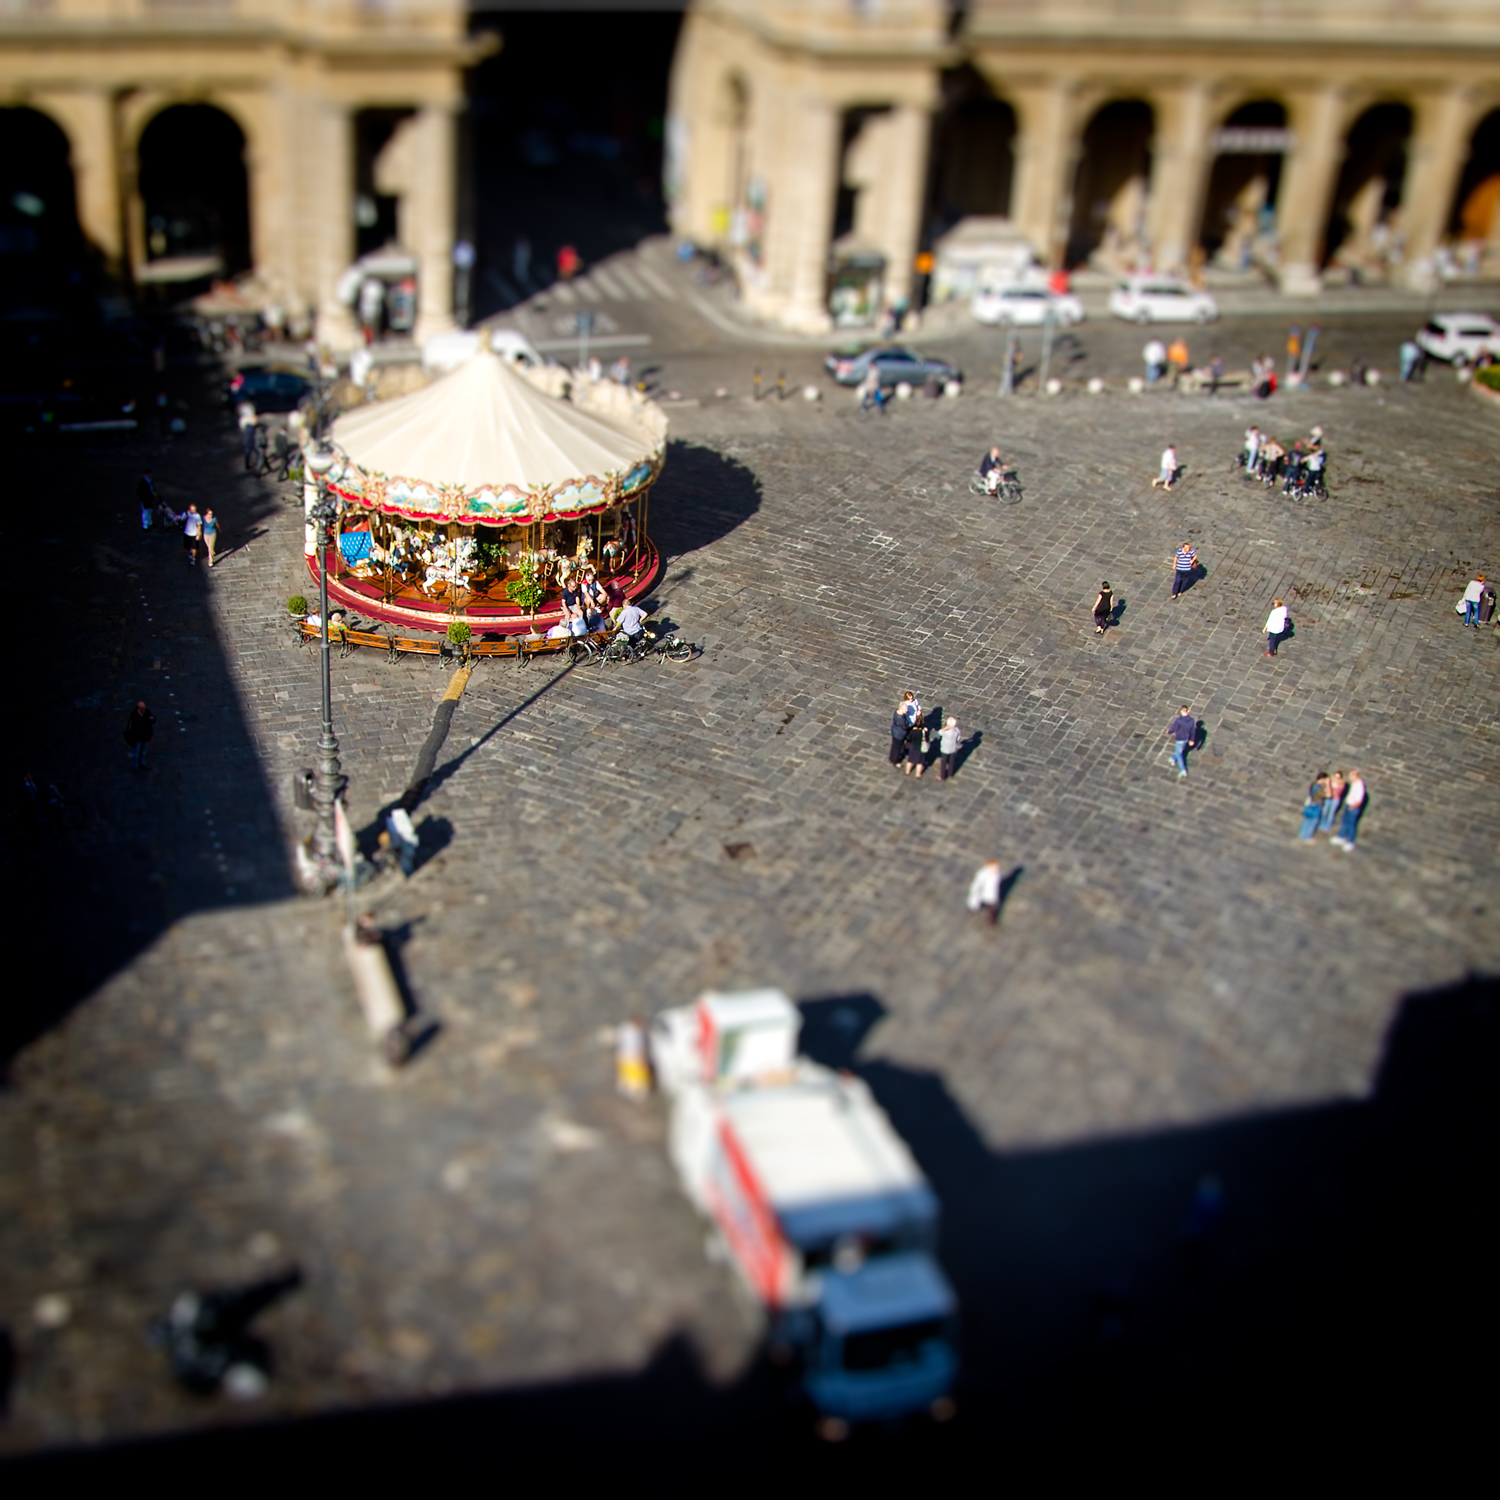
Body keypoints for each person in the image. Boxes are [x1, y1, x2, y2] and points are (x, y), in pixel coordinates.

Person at [1330, 770, 1366, 851]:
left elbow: (1359, 801)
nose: (1349, 778)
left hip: (1352, 807)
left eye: (1350, 776)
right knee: (1345, 821)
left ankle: (1350, 842)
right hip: (1348, 804)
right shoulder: (1354, 783)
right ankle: (1341, 836)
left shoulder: (1359, 786)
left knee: (1351, 825)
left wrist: (1351, 807)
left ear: (1355, 776)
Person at [966, 859, 1003, 927]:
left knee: (992, 909)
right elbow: (977, 883)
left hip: (991, 894)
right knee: (975, 904)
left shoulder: (997, 873)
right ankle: (971, 911)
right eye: (995, 867)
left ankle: (992, 922)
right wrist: (975, 891)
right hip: (981, 892)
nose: (996, 868)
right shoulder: (982, 873)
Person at [123, 700, 156, 769]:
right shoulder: (135, 715)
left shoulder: (146, 712)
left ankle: (142, 763)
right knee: (136, 751)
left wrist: (152, 719)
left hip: (145, 735)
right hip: (138, 737)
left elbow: (153, 720)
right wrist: (143, 717)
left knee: (143, 751)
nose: (143, 709)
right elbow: (135, 726)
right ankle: (135, 765)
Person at [1167, 704, 1196, 779]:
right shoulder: (1191, 720)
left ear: (1180, 711)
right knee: (1179, 750)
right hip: (1186, 739)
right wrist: (1192, 740)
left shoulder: (1178, 720)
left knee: (1179, 754)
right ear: (1188, 711)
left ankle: (1182, 770)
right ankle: (1173, 758)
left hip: (1179, 738)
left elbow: (1174, 728)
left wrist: (1169, 731)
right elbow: (1193, 731)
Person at [1300, 772, 1329, 841]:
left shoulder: (1313, 784)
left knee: (1307, 819)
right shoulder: (1319, 789)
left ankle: (1302, 834)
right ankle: (1307, 837)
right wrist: (1328, 785)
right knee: (1313, 821)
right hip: (1315, 805)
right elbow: (1328, 795)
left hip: (1309, 803)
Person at [889, 692, 915, 767]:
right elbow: (905, 726)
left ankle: (892, 758)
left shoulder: (898, 713)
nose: (907, 710)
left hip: (896, 732)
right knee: (897, 748)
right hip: (899, 735)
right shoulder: (900, 718)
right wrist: (910, 725)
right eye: (906, 709)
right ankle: (895, 761)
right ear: (902, 709)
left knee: (894, 746)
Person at [903, 706, 928, 777]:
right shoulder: (923, 731)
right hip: (920, 748)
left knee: (910, 760)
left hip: (913, 747)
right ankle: (918, 774)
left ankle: (907, 771)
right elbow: (927, 739)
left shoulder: (913, 731)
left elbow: (908, 738)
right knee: (920, 762)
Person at [1320, 769, 1346, 834]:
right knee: (1324, 811)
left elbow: (1337, 792)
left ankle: (1327, 827)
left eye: (1338, 777)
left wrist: (1331, 788)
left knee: (1331, 813)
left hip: (1335, 800)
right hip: (1328, 798)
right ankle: (1321, 824)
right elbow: (1326, 789)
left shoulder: (1341, 784)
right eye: (1335, 776)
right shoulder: (1330, 781)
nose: (1336, 778)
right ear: (1333, 776)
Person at [937, 716, 960, 782]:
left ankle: (942, 776)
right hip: (953, 748)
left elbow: (939, 732)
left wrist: (945, 728)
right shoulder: (957, 730)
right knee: (951, 762)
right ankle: (950, 774)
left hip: (945, 749)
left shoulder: (946, 732)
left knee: (944, 762)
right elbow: (958, 738)